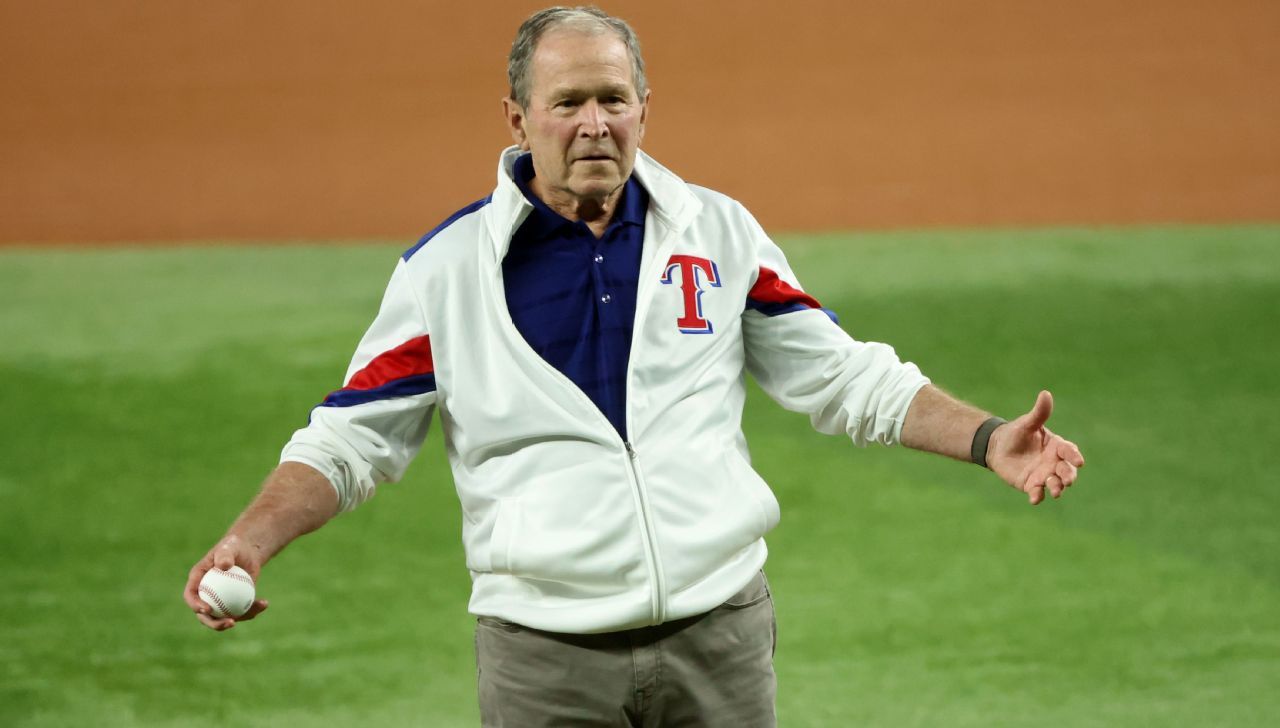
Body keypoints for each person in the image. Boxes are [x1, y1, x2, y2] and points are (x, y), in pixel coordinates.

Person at [183, 6, 1085, 726]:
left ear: (645, 109)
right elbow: (350, 441)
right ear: (518, 117)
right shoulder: (446, 274)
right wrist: (252, 541)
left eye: (613, 99)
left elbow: (845, 376)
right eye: (568, 101)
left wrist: (987, 437)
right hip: (546, 662)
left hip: (720, 638)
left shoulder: (718, 234)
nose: (593, 124)